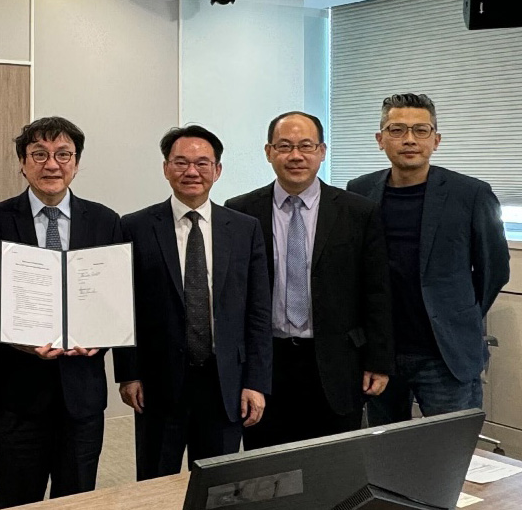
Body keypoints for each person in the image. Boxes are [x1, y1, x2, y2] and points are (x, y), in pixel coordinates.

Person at [0, 116, 123, 507]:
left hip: (82, 396)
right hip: (16, 397)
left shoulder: (106, 221)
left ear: (77, 162)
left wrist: (102, 339)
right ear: (23, 163)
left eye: (62, 154)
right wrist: (20, 342)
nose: (51, 164)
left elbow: (116, 302)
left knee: (76, 500)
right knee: (17, 499)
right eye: (39, 154)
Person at [225, 111, 392, 448]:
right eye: (285, 146)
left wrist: (379, 360)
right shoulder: (240, 211)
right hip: (267, 361)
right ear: (269, 152)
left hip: (336, 359)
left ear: (322, 151)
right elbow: (233, 296)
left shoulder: (358, 212)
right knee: (268, 466)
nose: (296, 156)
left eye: (306, 145)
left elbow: (377, 292)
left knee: (335, 468)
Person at [114, 125, 271, 480]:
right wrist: (128, 372)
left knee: (218, 485)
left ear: (217, 170)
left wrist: (256, 382)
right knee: (156, 482)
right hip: (158, 382)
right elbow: (124, 305)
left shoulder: (244, 228)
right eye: (181, 162)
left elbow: (258, 312)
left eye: (202, 163)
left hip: (224, 381)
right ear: (166, 168)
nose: (191, 171)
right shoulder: (135, 226)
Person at [347, 93, 509, 423]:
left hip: (444, 354)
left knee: (449, 458)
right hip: (381, 355)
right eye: (397, 130)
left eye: (421, 130)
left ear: (436, 140)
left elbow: (494, 269)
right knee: (384, 459)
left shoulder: (472, 194)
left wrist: (459, 312)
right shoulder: (359, 190)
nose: (409, 139)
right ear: (380, 140)